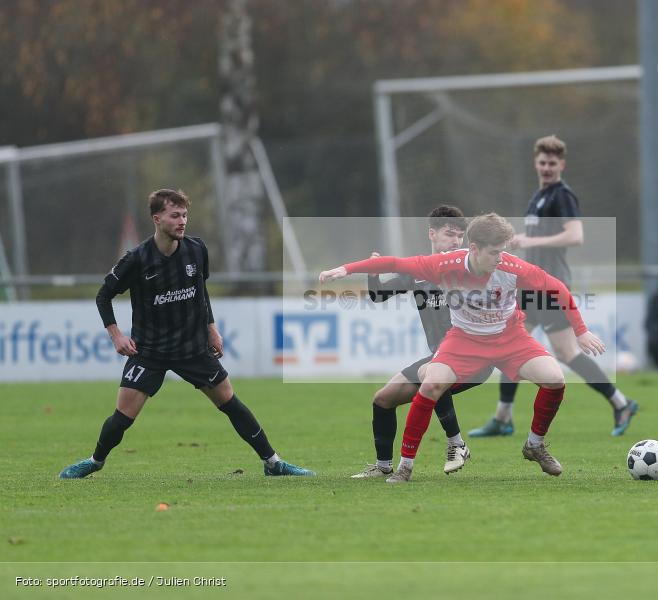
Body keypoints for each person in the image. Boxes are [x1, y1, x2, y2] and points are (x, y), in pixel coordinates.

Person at [320, 213, 606, 483]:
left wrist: (581, 331)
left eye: (503, 250)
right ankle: (404, 467)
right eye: (494, 252)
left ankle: (535, 445)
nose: (501, 257)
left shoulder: (510, 266)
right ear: (474, 248)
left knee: (555, 379)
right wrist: (344, 269)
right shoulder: (444, 265)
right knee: (431, 384)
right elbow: (394, 263)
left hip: (510, 338)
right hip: (464, 340)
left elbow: (556, 287)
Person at [59, 189, 313, 479]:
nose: (182, 221)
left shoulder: (196, 249)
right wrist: (116, 335)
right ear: (157, 219)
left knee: (231, 403)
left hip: (192, 348)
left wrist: (212, 329)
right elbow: (103, 296)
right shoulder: (137, 259)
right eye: (175, 215)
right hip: (150, 351)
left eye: (184, 215)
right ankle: (95, 461)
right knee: (122, 417)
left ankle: (273, 463)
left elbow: (200, 292)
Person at [468, 135, 638, 438]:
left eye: (552, 163)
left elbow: (575, 236)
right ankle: (503, 417)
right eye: (542, 162)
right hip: (529, 285)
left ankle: (621, 403)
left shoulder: (562, 195)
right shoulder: (539, 196)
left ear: (562, 164)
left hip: (549, 286)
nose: (546, 167)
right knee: (509, 345)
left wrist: (531, 241)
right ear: (536, 162)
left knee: (565, 352)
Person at [352, 205, 491, 479]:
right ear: (432, 234)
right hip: (440, 358)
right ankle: (382, 467)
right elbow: (378, 295)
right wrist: (372, 271)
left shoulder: (469, 268)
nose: (455, 241)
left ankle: (456, 443)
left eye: (460, 236)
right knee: (383, 399)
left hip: (475, 359)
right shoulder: (417, 272)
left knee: (434, 374)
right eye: (450, 234)